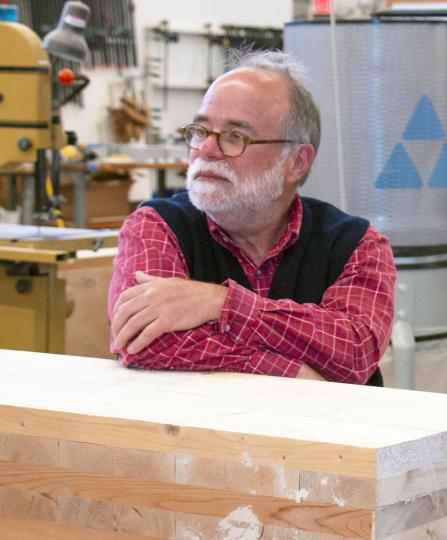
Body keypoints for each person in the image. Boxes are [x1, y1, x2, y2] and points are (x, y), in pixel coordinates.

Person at [108, 51, 395, 385]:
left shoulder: (356, 245)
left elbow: (354, 351)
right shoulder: (156, 227)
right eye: (200, 130)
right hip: (203, 434)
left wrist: (221, 303)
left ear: (296, 162)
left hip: (327, 433)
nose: (207, 150)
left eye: (235, 136)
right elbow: (144, 342)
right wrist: (290, 372)